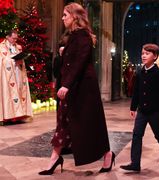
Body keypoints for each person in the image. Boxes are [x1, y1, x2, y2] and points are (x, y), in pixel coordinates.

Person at [38, 3, 114, 175]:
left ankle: (107, 154)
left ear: (75, 16)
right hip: (72, 89)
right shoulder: (72, 36)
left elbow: (79, 63)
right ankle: (55, 158)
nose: (63, 18)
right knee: (63, 123)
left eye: (65, 15)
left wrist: (66, 85)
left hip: (83, 90)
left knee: (89, 126)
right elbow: (69, 63)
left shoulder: (83, 36)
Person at [120, 44, 159, 172]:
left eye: (147, 53)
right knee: (137, 135)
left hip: (155, 111)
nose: (143, 55)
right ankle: (135, 163)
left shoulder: (158, 73)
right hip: (142, 110)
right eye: (142, 53)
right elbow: (137, 91)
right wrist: (133, 107)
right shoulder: (140, 72)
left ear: (155, 57)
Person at [0, 30, 33, 123]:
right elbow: (2, 61)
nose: (15, 40)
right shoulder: (1, 47)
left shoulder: (18, 47)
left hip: (18, 73)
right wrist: (13, 61)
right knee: (9, 95)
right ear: (8, 37)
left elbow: (19, 58)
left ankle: (19, 115)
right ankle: (9, 117)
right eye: (13, 38)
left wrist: (21, 59)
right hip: (7, 76)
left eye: (16, 38)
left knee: (19, 92)